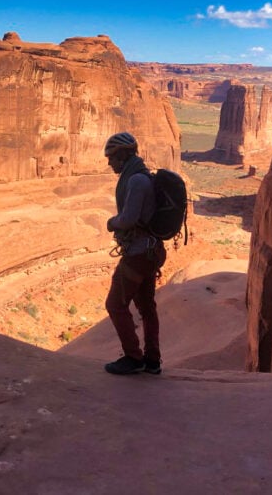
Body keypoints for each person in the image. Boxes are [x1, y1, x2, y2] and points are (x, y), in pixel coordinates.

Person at [102, 132, 166, 375]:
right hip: (150, 251)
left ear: (123, 155)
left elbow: (128, 219)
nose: (109, 162)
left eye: (111, 157)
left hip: (139, 254)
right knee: (147, 307)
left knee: (115, 304)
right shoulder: (140, 176)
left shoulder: (136, 181)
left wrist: (112, 222)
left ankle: (133, 357)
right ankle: (152, 360)